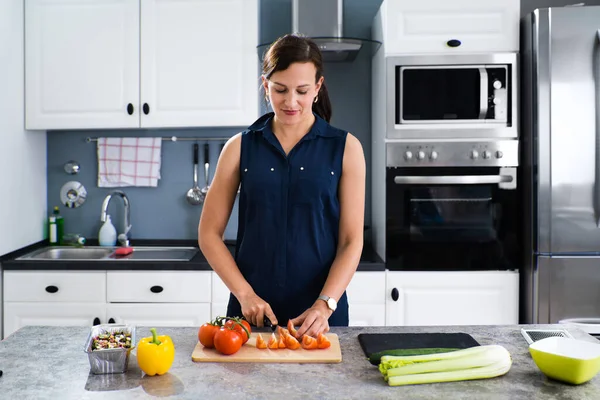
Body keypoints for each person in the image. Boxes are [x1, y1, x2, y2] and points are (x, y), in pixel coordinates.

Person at [198, 33, 366, 338]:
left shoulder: (347, 148)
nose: (291, 102)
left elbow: (351, 241)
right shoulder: (238, 148)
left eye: (302, 90)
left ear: (317, 88)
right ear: (266, 86)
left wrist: (325, 304)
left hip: (320, 320)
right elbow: (209, 234)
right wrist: (245, 295)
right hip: (250, 318)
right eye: (280, 89)